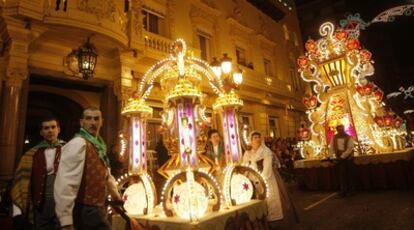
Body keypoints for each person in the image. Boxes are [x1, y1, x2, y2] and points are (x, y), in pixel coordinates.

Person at [54, 107, 122, 230]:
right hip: (85, 209)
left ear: (102, 122)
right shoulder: (78, 144)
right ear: (81, 122)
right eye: (88, 118)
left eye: (96, 119)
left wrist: (117, 198)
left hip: (98, 207)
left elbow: (107, 176)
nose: (92, 122)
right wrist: (66, 221)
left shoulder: (99, 145)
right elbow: (66, 183)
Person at [11, 117, 65, 229]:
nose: (50, 130)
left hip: (63, 204)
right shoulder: (31, 154)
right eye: (46, 128)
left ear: (58, 129)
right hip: (41, 205)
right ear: (41, 132)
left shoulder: (68, 149)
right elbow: (21, 182)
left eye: (53, 127)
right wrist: (17, 212)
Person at [243, 131, 298, 229]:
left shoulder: (266, 151)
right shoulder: (248, 153)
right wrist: (245, 178)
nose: (257, 139)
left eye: (258, 137)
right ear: (250, 140)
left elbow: (267, 168)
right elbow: (244, 166)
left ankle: (273, 221)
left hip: (267, 178)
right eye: (254, 137)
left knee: (270, 198)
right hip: (253, 178)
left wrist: (261, 179)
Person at [328, 124, 356, 197]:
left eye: (342, 129)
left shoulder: (348, 137)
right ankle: (343, 191)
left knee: (349, 175)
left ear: (343, 129)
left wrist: (343, 156)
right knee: (342, 175)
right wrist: (330, 156)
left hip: (348, 159)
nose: (340, 131)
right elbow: (331, 147)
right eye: (339, 130)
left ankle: (351, 191)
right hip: (340, 159)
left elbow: (350, 148)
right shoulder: (334, 137)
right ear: (337, 130)